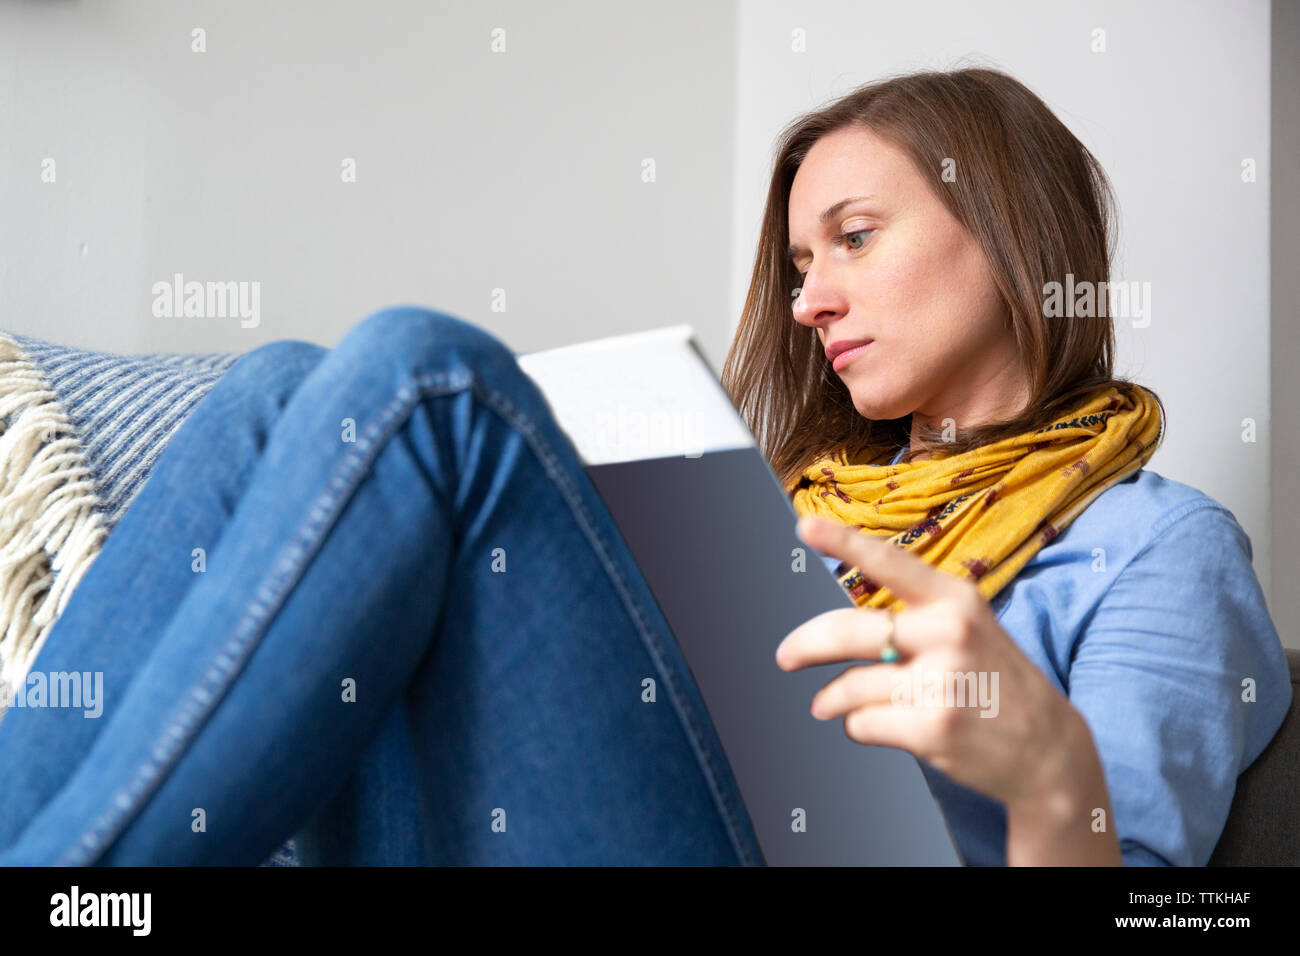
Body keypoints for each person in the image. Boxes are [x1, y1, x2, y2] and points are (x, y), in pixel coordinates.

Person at [0, 68, 1289, 866]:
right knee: (285, 388)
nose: (808, 303)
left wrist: (1047, 766)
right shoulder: (787, 506)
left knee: (426, 377)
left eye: (851, 239)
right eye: (796, 269)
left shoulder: (1159, 544)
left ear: (1011, 237)